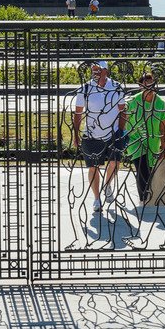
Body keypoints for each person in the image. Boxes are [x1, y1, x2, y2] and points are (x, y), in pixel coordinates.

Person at [70, 61, 127, 215]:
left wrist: (121, 132)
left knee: (115, 162)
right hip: (92, 134)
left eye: (97, 70)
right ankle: (96, 198)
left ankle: (107, 185)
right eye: (92, 69)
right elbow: (78, 113)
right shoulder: (86, 88)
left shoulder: (116, 87)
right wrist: (76, 135)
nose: (94, 72)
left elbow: (123, 110)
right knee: (93, 167)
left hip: (113, 133)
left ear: (105, 71)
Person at [123, 71, 165, 212]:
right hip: (135, 140)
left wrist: (164, 146)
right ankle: (143, 199)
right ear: (140, 86)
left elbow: (163, 127)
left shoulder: (160, 103)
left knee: (147, 171)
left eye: (151, 85)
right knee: (142, 168)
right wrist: (124, 136)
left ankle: (143, 197)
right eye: (146, 85)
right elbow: (124, 118)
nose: (149, 88)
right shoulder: (133, 101)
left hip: (152, 142)